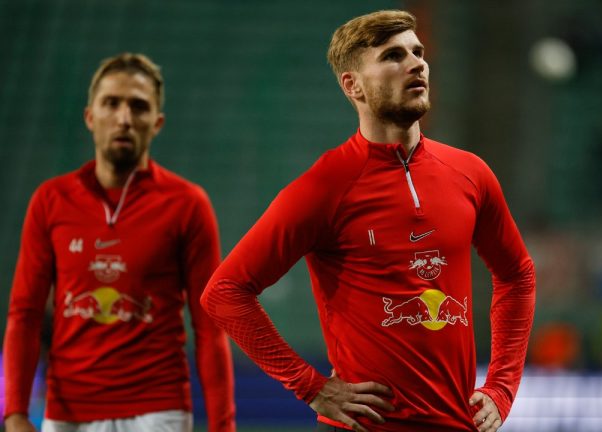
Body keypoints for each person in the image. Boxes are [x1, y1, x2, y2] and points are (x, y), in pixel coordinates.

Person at [202, 9, 535, 432]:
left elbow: (517, 274)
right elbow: (225, 292)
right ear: (352, 85)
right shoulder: (325, 186)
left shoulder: (470, 173)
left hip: (457, 424)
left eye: (418, 52)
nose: (416, 63)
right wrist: (310, 386)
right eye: (393, 56)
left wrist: (502, 387)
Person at [3, 53, 236, 432]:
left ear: (157, 123)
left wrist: (223, 426)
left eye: (138, 107)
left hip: (159, 412)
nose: (124, 118)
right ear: (90, 117)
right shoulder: (51, 200)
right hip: (67, 413)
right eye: (111, 103)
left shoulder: (187, 204)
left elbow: (210, 327)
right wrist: (14, 413)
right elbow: (24, 315)